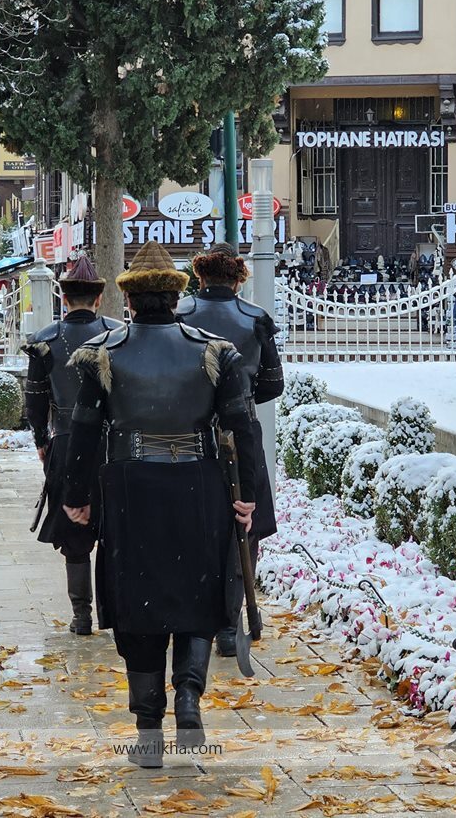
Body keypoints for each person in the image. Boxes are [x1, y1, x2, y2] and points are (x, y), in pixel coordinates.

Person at [61, 240, 257, 768]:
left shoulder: (104, 354)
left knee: (137, 602)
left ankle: (148, 729)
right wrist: (249, 497)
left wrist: (76, 497)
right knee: (198, 592)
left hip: (130, 491)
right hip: (200, 486)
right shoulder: (215, 352)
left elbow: (83, 431)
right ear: (176, 299)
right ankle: (188, 696)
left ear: (128, 301)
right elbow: (242, 426)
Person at [175, 242, 283, 657]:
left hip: (192, 429)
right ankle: (229, 621)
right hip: (242, 429)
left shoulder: (180, 314)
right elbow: (273, 383)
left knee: (196, 524)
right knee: (244, 525)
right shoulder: (256, 319)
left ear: (199, 277)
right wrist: (241, 397)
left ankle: (200, 616)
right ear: (238, 280)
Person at [22, 255, 123, 634]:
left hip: (65, 443)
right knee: (115, 532)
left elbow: (35, 402)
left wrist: (41, 440)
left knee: (75, 536)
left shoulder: (44, 342)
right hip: (114, 445)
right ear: (98, 299)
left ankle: (82, 616)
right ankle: (115, 613)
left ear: (64, 299)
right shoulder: (118, 336)